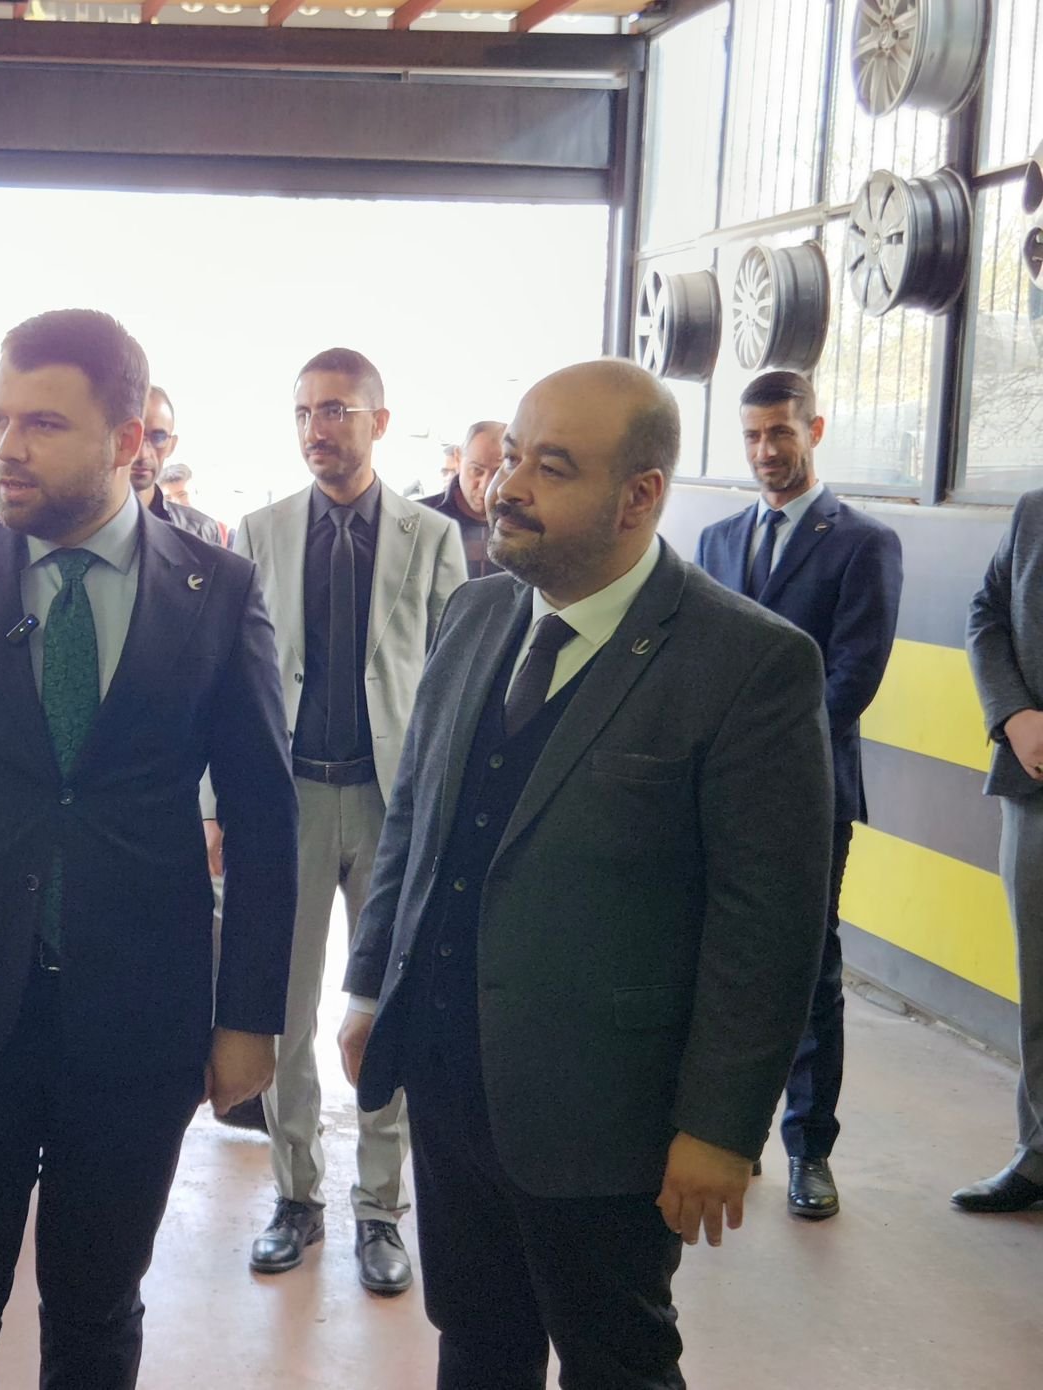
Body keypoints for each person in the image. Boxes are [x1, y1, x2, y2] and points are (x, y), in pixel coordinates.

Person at [338, 359, 831, 1388]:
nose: (506, 486)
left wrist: (720, 1125)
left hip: (608, 1117)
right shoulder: (475, 615)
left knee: (616, 1359)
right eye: (511, 456)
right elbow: (416, 819)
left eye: (549, 468)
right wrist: (371, 984)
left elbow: (767, 923)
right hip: (449, 1080)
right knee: (476, 1343)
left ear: (638, 495)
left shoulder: (747, 664)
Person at [0, 309, 299, 1389]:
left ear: (128, 440)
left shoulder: (218, 592)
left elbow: (264, 815)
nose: (7, 447)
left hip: (139, 1020)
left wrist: (248, 1016)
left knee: (96, 1307)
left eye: (42, 424)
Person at [219, 347, 466, 1292]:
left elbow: (450, 683)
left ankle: (379, 1208)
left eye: (334, 410)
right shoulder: (260, 532)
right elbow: (233, 685)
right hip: (287, 803)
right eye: (303, 412)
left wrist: (439, 813)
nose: (316, 429)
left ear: (378, 421)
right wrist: (217, 805)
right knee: (282, 1008)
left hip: (389, 803)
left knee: (385, 1009)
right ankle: (296, 1197)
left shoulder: (430, 538)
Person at [694, 370, 902, 1221]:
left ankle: (809, 1149)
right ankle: (725, 1132)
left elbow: (855, 675)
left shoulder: (863, 543)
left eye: (780, 432)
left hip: (811, 796)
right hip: (712, 794)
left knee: (808, 969)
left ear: (813, 429)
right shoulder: (716, 542)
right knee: (713, 962)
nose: (765, 450)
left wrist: (763, 757)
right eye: (752, 436)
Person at [958, 486, 1043, 1214]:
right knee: (1039, 985)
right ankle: (1038, 1154)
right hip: (1035, 787)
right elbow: (986, 612)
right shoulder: (1034, 511)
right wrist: (1012, 713)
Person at [133, 386, 226, 546]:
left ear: (172, 445)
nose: (143, 453)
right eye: (132, 436)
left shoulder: (201, 530)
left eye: (158, 437)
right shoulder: (88, 526)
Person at [424, 420, 505, 579]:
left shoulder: (523, 523)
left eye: (498, 474)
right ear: (458, 458)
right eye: (476, 470)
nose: (485, 486)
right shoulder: (421, 517)